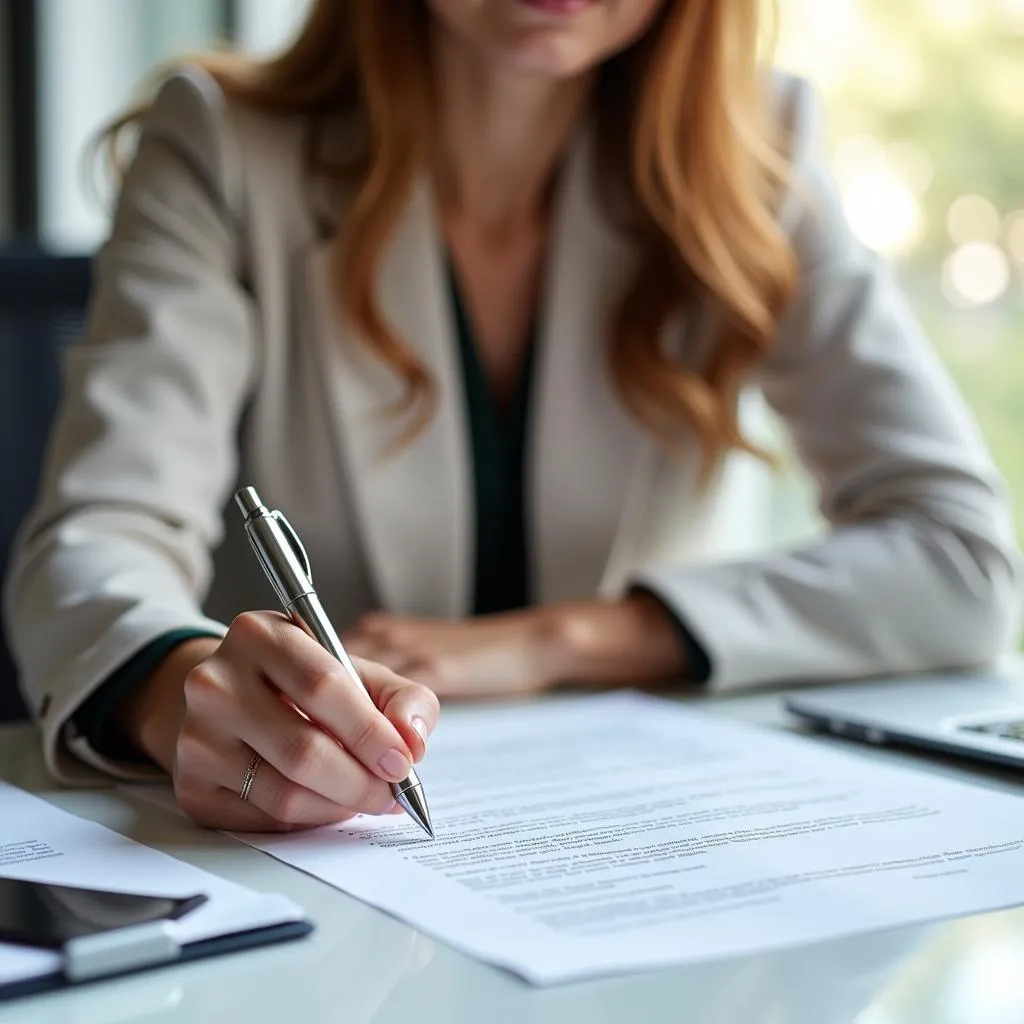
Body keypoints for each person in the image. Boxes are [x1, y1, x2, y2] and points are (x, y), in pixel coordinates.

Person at [5, 0, 1021, 832]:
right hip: (304, 866)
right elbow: (97, 545)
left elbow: (961, 560)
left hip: (632, 847)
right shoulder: (220, 148)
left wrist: (560, 641)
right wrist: (180, 689)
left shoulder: (759, 151)